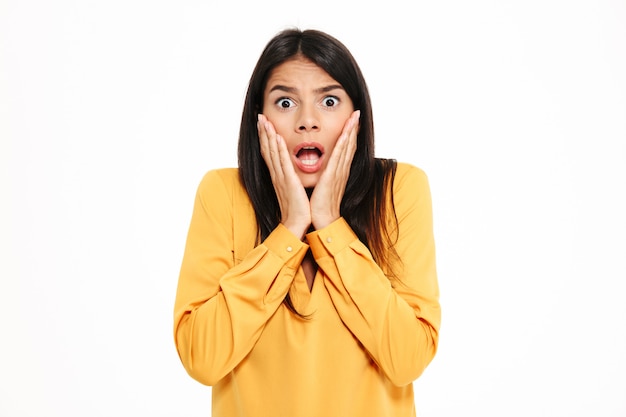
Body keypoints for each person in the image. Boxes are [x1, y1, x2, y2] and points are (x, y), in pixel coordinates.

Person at [173, 28, 441, 417]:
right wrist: (290, 229)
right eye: (285, 102)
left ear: (356, 118)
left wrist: (330, 227)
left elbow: (408, 358)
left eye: (329, 101)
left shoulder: (400, 190)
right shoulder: (222, 193)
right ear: (259, 119)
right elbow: (202, 358)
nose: (307, 122)